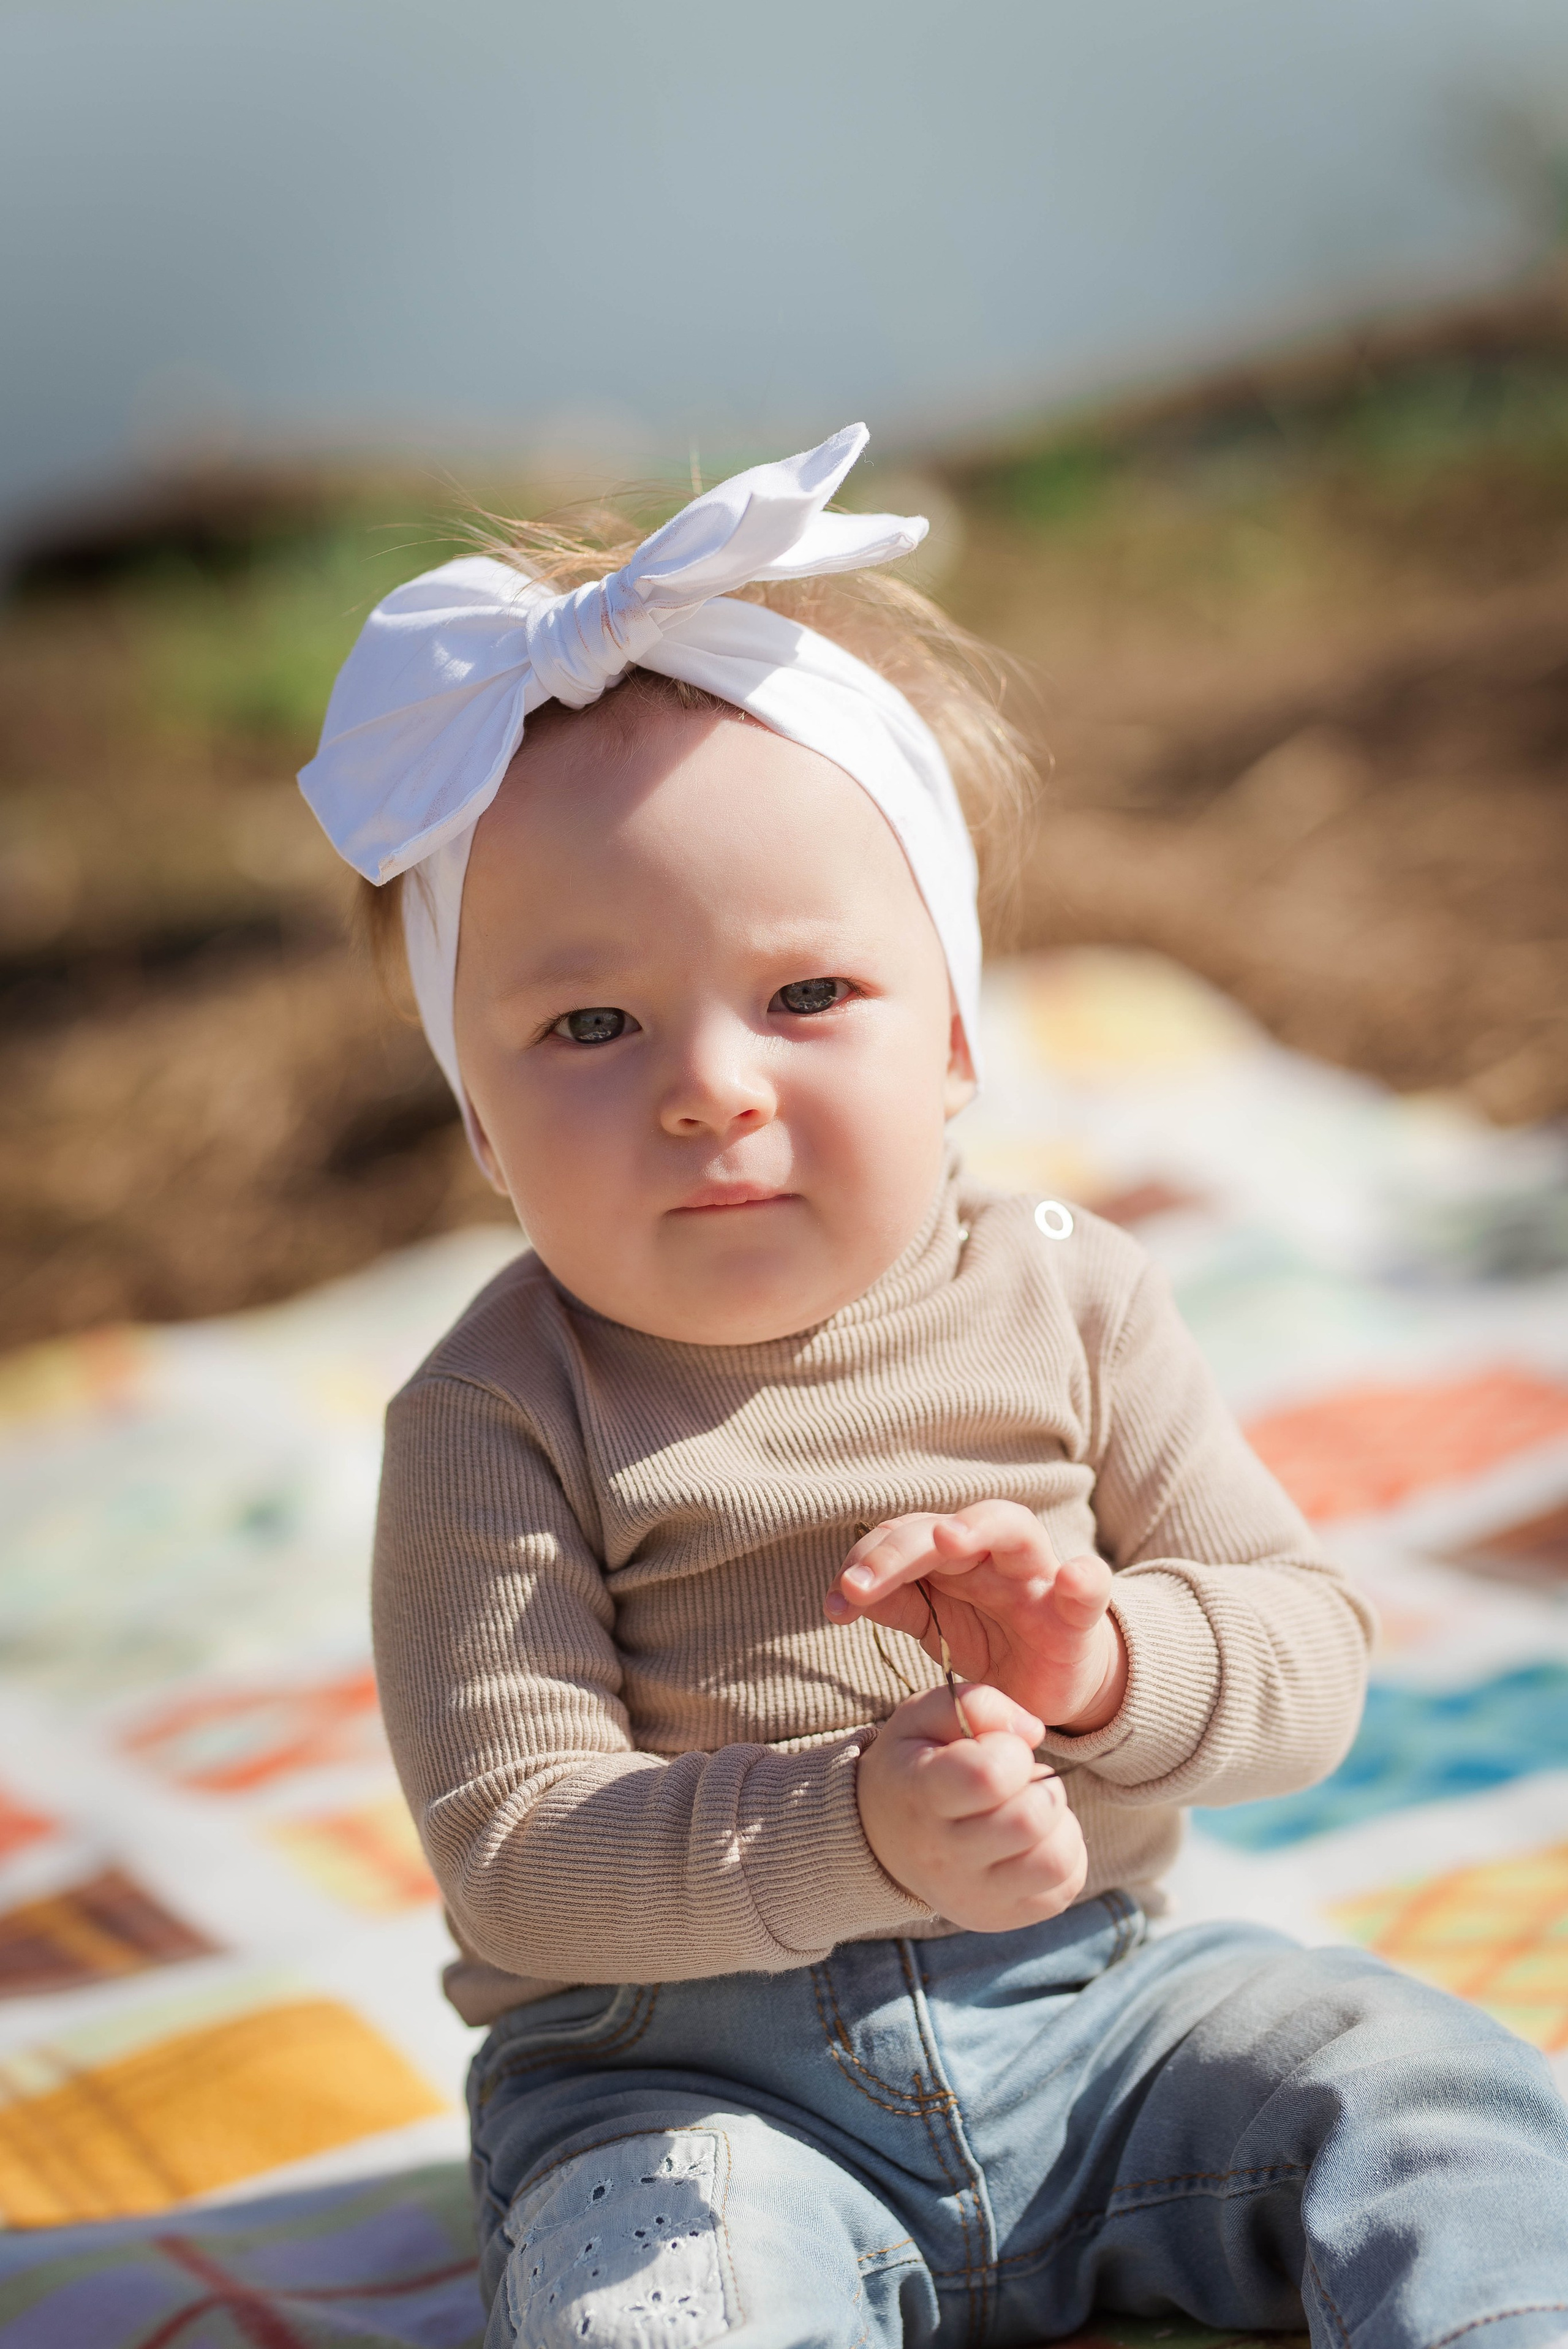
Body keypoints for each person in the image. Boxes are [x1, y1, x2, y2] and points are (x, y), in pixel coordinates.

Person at [299, 427, 1568, 2349]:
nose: (711, 1086)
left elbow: (1310, 1656)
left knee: (1427, 2090)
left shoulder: (1073, 1293)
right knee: (657, 2289)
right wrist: (855, 1827)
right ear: (479, 1113)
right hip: (687, 2092)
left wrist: (1108, 1664)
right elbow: (519, 1855)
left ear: (960, 1035)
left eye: (807, 995)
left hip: (1102, 2015)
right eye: (590, 1022)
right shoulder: (496, 1414)